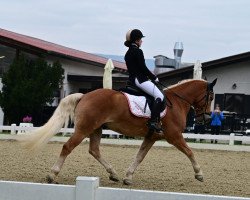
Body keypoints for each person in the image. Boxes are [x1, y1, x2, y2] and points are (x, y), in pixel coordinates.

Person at [124, 29, 164, 133]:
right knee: (159, 96)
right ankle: (153, 121)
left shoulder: (128, 53)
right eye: (141, 39)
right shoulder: (138, 51)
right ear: (137, 40)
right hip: (140, 80)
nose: (142, 41)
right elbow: (143, 68)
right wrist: (154, 77)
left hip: (132, 80)